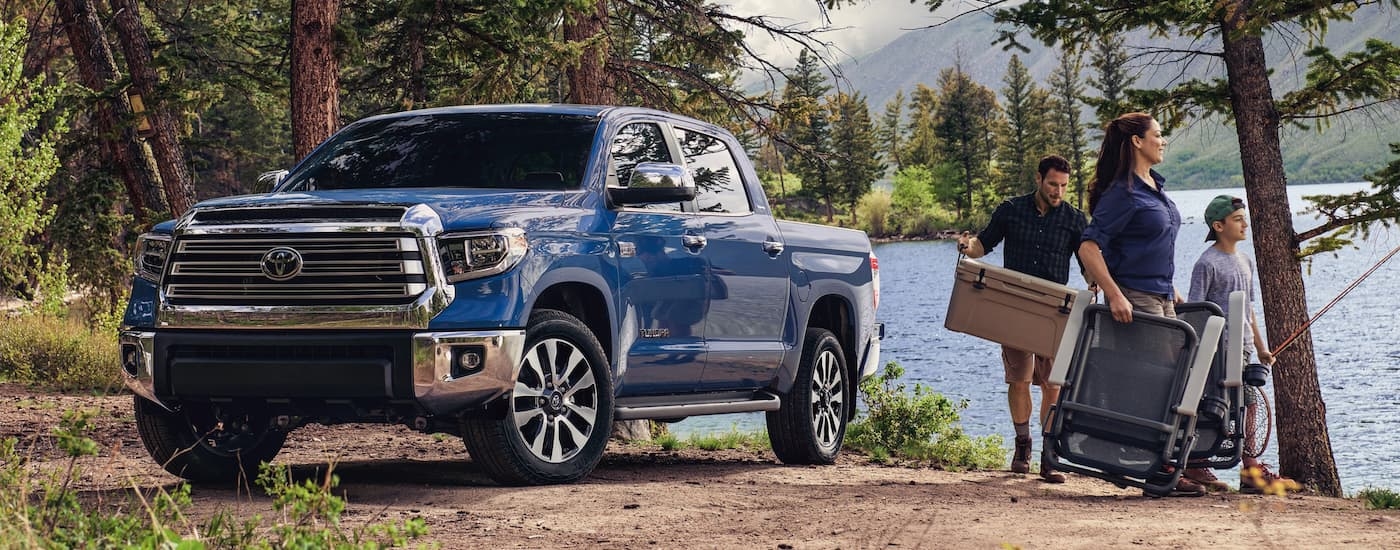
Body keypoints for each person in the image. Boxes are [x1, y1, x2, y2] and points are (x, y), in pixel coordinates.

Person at [1077, 112, 1204, 497]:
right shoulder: (1123, 193)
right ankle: (1157, 470)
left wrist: (1171, 286)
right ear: (1137, 141)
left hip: (1161, 295)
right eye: (1158, 135)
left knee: (1173, 378)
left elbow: (1150, 244)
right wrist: (1114, 294)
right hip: (1135, 298)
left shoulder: (1154, 187)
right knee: (1159, 380)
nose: (1162, 141)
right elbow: (1088, 247)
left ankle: (1167, 463)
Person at [957, 154, 1087, 484]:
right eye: (1052, 184)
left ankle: (1049, 455)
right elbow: (982, 245)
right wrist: (966, 245)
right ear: (1038, 180)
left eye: (1063, 186)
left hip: (1054, 311)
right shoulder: (1011, 210)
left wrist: (1096, 282)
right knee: (1018, 379)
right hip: (1014, 305)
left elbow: (1086, 261)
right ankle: (1022, 445)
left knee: (1052, 385)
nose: (1058, 191)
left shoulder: (1074, 219)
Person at [1187, 194, 1297, 493]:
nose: (1244, 224)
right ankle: (1195, 463)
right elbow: (1196, 310)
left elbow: (1249, 311)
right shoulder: (1206, 263)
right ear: (1219, 225)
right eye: (1238, 219)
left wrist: (1261, 348)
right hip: (1216, 351)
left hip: (1245, 350)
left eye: (1243, 218)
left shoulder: (1245, 261)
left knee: (1247, 403)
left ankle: (1249, 467)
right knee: (1210, 405)